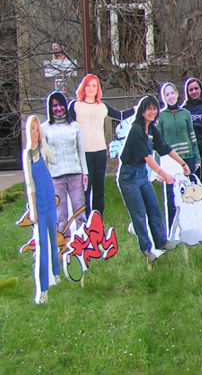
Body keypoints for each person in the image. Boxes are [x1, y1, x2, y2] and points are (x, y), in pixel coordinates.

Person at [118, 95, 183, 264]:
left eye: (154, 108)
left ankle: (161, 242)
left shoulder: (152, 129)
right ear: (142, 111)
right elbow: (148, 157)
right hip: (128, 177)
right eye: (149, 109)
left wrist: (182, 163)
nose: (152, 112)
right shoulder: (136, 130)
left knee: (154, 208)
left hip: (142, 175)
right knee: (139, 214)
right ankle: (146, 249)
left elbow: (165, 147)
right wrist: (165, 175)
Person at [68, 74, 134, 217]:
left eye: (94, 86)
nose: (91, 88)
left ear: (98, 89)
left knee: (99, 190)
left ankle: (98, 220)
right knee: (85, 189)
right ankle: (84, 222)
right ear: (83, 87)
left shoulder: (102, 107)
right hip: (83, 153)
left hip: (99, 152)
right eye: (88, 85)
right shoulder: (75, 106)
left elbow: (120, 115)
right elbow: (68, 127)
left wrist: (136, 109)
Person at [22, 115, 60, 304]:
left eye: (38, 129)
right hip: (39, 205)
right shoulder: (27, 154)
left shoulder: (43, 149)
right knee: (42, 244)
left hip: (50, 201)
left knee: (54, 238)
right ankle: (43, 290)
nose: (35, 133)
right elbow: (30, 184)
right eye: (33, 129)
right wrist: (33, 209)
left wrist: (45, 144)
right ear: (28, 131)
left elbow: (53, 160)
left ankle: (56, 272)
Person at [40, 91, 88, 234]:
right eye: (55, 106)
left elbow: (81, 151)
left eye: (61, 105)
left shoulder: (75, 126)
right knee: (60, 214)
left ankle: (82, 237)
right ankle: (64, 240)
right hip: (55, 177)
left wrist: (85, 173)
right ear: (50, 108)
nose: (58, 108)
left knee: (79, 208)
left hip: (75, 174)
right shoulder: (44, 128)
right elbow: (43, 155)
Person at [157, 82, 202, 229]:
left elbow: (192, 136)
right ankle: (172, 227)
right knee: (172, 195)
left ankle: (191, 226)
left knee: (189, 193)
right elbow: (157, 143)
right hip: (170, 161)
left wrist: (197, 158)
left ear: (177, 95)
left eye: (172, 93)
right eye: (167, 94)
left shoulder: (185, 114)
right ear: (164, 98)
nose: (170, 96)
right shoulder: (161, 116)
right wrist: (157, 168)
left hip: (187, 158)